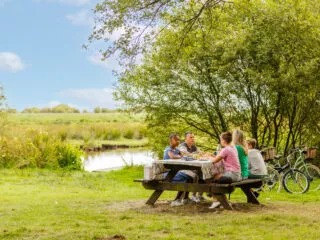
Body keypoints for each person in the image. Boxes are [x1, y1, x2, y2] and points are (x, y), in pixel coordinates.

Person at [209, 131, 241, 209]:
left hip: (232, 175)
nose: (221, 141)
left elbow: (214, 161)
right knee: (216, 176)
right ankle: (221, 200)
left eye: (221, 139)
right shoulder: (233, 147)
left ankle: (216, 200)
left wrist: (208, 157)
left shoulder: (226, 149)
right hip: (237, 174)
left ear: (223, 140)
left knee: (210, 178)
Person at [163, 134, 193, 207]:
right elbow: (172, 157)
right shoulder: (168, 149)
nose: (178, 142)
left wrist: (180, 156)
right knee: (188, 176)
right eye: (176, 140)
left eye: (179, 140)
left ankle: (185, 198)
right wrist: (179, 157)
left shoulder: (177, 149)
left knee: (190, 178)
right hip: (169, 174)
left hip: (177, 172)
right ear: (171, 141)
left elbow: (182, 156)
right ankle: (176, 200)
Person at [179, 131, 207, 203]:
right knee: (196, 175)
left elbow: (200, 152)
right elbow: (185, 153)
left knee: (204, 173)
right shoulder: (182, 146)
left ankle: (199, 195)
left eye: (193, 137)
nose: (192, 139)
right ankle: (193, 195)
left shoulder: (194, 146)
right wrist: (194, 155)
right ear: (186, 138)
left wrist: (203, 154)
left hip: (193, 167)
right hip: (184, 168)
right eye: (190, 137)